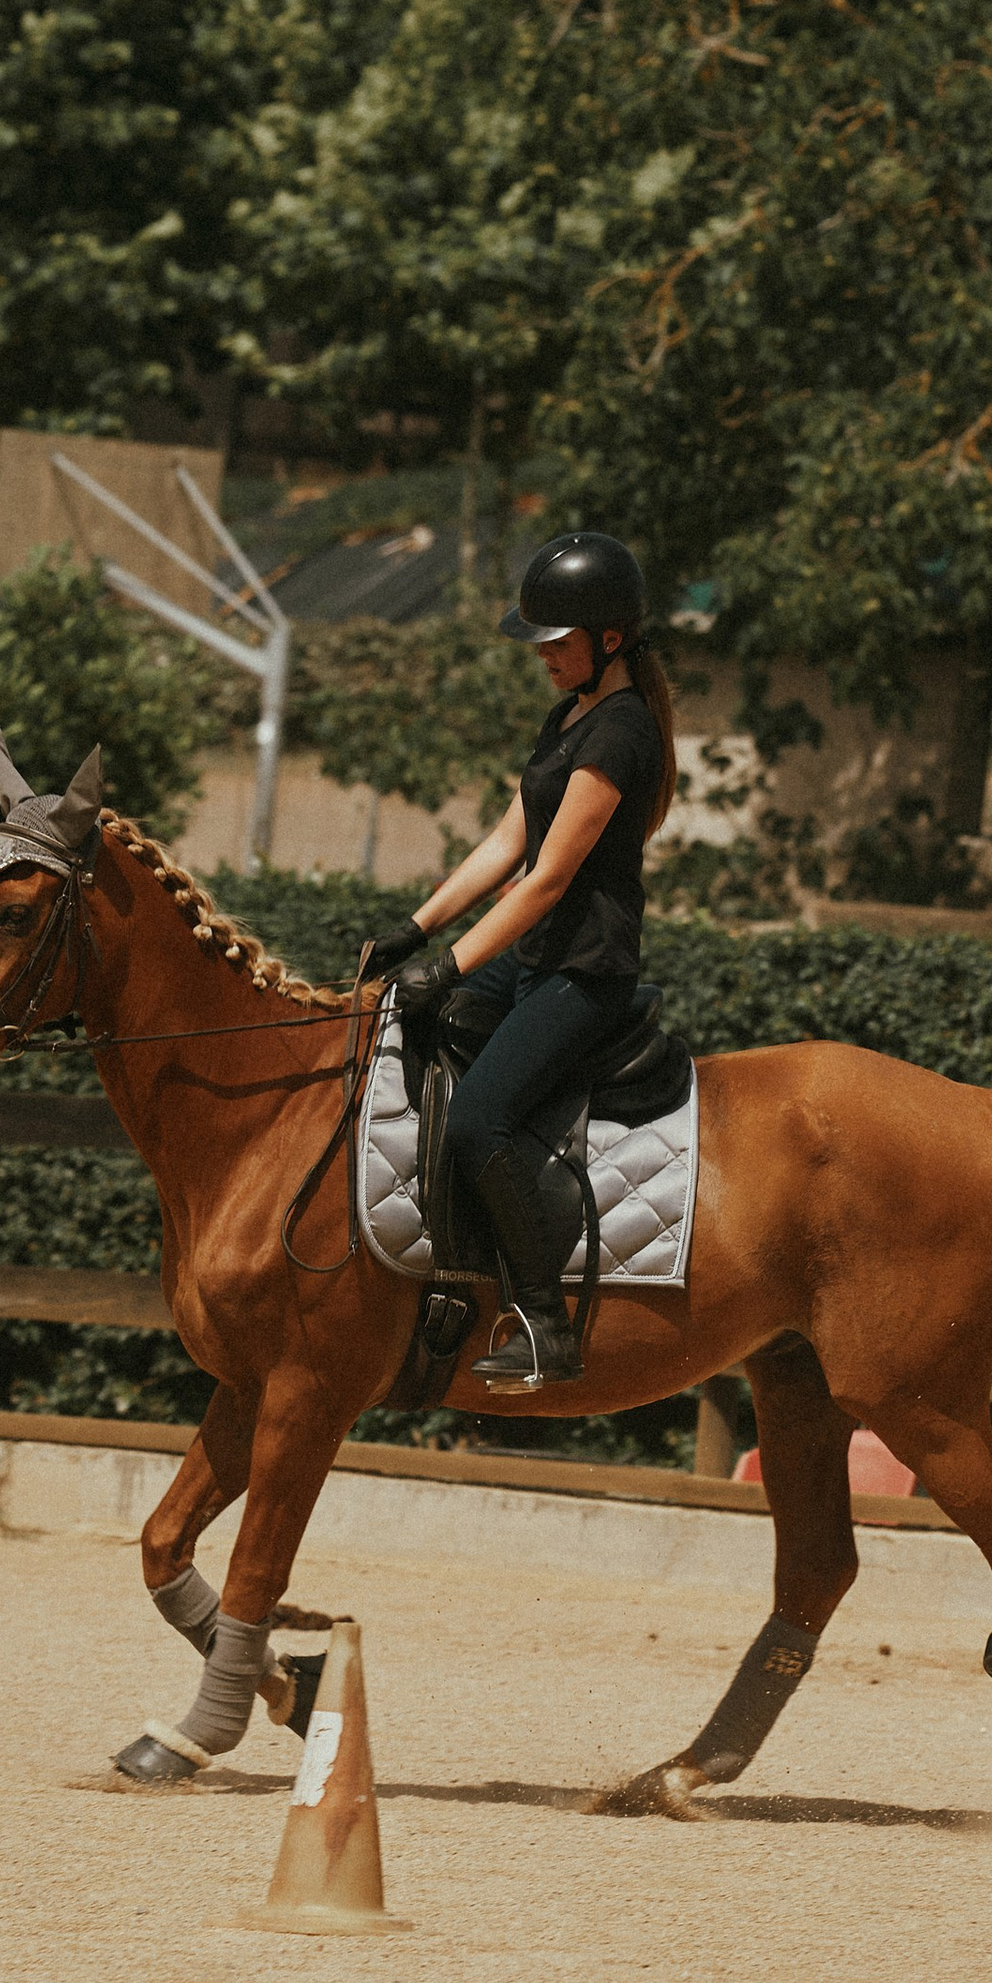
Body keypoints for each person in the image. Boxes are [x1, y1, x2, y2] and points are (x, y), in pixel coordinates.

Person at [364, 528, 676, 1388]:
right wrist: (416, 928)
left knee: (479, 1119)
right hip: (533, 957)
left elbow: (547, 879)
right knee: (404, 1027)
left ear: (609, 639)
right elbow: (507, 842)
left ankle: (544, 1323)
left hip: (583, 973)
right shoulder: (568, 714)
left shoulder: (622, 732)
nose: (542, 654)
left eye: (556, 641)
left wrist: (451, 965)